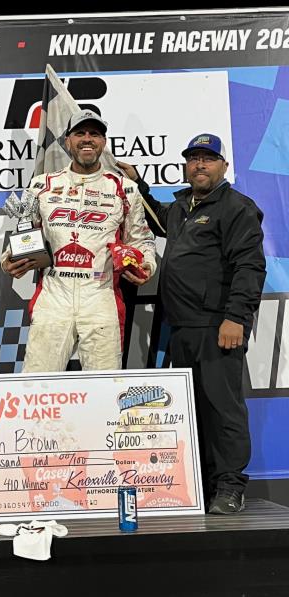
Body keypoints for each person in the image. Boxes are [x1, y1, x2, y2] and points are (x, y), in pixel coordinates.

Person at [117, 133, 266, 515]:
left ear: (223, 166)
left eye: (208, 158)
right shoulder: (183, 205)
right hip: (181, 329)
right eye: (194, 158)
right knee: (192, 411)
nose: (200, 165)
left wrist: (236, 317)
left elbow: (249, 266)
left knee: (223, 409)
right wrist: (138, 185)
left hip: (217, 326)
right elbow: (157, 219)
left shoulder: (236, 207)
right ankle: (204, 485)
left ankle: (231, 487)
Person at [1, 109, 156, 372]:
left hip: (101, 296)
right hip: (53, 297)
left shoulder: (123, 188)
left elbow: (141, 239)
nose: (87, 139)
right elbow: (24, 232)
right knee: (38, 385)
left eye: (95, 134)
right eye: (80, 133)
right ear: (67, 141)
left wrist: (148, 266)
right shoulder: (41, 185)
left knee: (106, 386)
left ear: (103, 142)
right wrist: (9, 259)